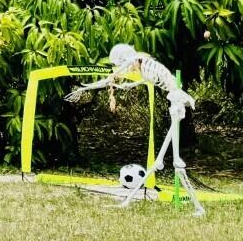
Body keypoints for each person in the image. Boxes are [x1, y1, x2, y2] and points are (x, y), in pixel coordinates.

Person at [65, 44, 202, 215]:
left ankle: (198, 207)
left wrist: (85, 88)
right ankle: (127, 202)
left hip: (176, 103)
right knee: (158, 163)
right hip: (175, 102)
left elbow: (111, 77)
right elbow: (147, 80)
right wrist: (130, 85)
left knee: (176, 163)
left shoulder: (137, 60)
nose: (127, 67)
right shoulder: (145, 65)